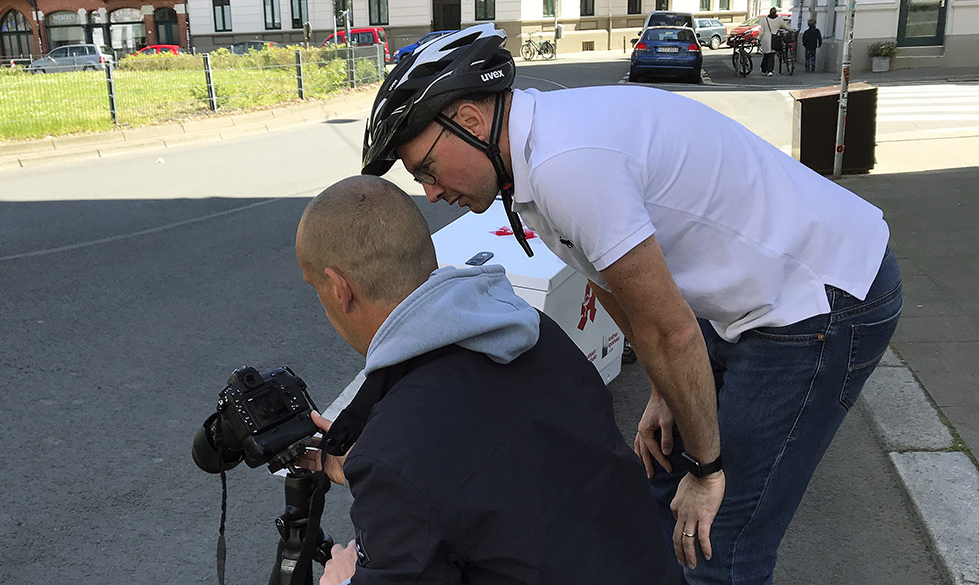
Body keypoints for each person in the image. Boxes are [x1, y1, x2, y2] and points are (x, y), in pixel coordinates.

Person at [359, 24, 902, 585]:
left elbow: (672, 333)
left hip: (823, 297)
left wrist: (709, 468)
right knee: (663, 485)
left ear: (469, 121)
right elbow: (610, 284)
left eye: (425, 168)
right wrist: (665, 396)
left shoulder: (566, 164)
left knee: (718, 544)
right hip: (752, 297)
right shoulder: (530, 160)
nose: (430, 192)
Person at [295, 175, 677, 585]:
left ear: (339, 288)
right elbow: (497, 466)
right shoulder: (530, 330)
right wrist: (373, 459)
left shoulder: (396, 455)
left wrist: (343, 579)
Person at [759, 8, 794, 76]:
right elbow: (786, 27)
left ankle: (764, 69)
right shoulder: (779, 19)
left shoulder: (764, 20)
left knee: (766, 54)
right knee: (771, 55)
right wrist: (792, 30)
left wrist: (759, 39)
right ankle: (770, 71)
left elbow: (762, 32)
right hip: (775, 38)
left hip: (765, 39)